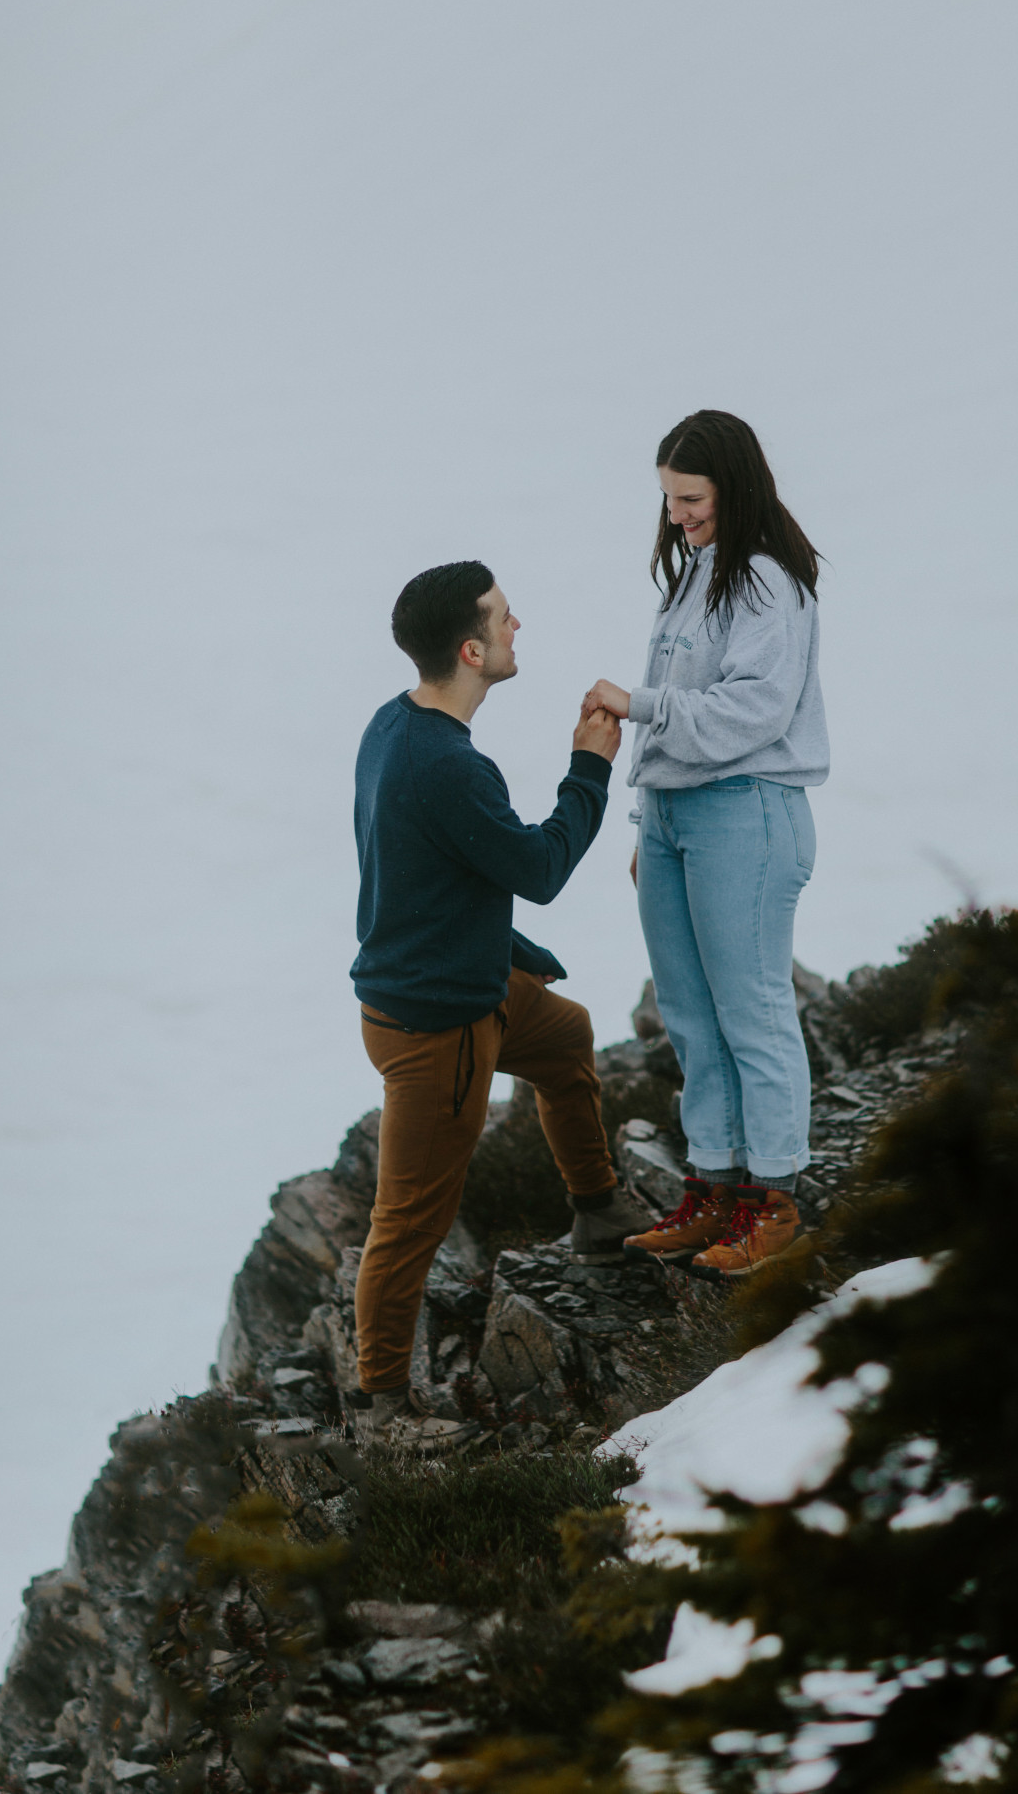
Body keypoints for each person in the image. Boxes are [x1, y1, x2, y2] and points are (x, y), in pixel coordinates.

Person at [350, 559, 650, 1442]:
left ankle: (597, 1210)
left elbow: (419, 868)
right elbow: (539, 869)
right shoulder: (447, 766)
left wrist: (504, 949)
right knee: (411, 1218)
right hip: (437, 1026)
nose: (521, 627)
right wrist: (589, 767)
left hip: (463, 982)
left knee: (567, 1040)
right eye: (506, 619)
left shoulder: (392, 726)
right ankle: (382, 1409)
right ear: (472, 650)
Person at [582, 411, 828, 1279]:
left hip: (747, 811)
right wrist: (651, 824)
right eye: (669, 499)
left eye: (691, 498)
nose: (678, 515)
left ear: (734, 485)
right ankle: (714, 1188)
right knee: (689, 1014)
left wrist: (638, 705)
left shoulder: (768, 583)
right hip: (681, 815)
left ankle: (775, 1198)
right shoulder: (696, 575)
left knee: (752, 1008)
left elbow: (753, 711)